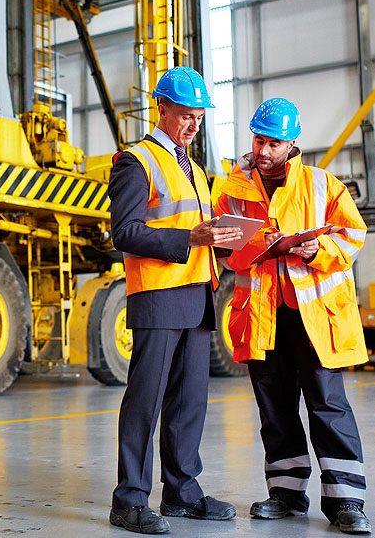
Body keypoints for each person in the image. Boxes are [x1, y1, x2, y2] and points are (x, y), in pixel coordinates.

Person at [214, 97, 372, 535]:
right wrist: (250, 247)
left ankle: (347, 501)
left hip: (314, 317)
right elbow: (223, 248)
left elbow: (354, 235)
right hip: (262, 315)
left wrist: (318, 248)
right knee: (275, 407)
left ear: (292, 144)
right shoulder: (232, 189)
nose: (263, 151)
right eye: (259, 140)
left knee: (328, 404)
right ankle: (285, 494)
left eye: (274, 143)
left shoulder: (323, 185)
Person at [108, 66, 240, 535]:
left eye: (198, 118)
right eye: (185, 116)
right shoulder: (135, 161)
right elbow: (123, 232)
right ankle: (129, 501)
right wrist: (190, 236)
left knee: (189, 402)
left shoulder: (198, 172)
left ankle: (183, 492)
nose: (192, 125)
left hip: (198, 295)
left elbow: (201, 233)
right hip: (159, 296)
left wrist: (226, 240)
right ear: (160, 108)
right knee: (146, 399)